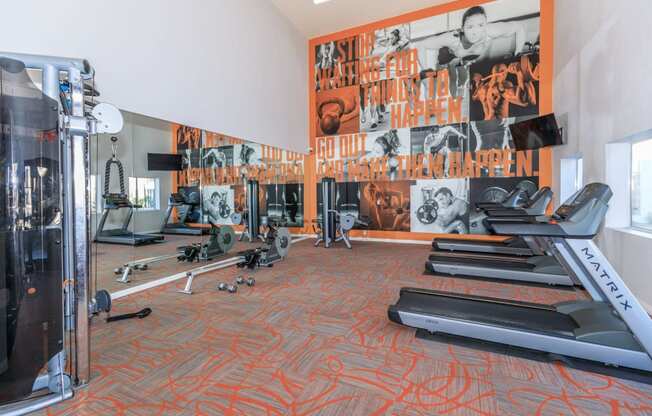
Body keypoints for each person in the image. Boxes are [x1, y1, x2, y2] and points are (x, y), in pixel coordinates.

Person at [414, 6, 527, 70]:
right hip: (450, 54)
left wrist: (518, 54)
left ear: (486, 24)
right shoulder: (452, 39)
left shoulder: (490, 31)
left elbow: (519, 27)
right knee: (442, 60)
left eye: (480, 25)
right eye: (470, 27)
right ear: (462, 29)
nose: (476, 32)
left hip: (470, 56)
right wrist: (425, 70)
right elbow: (421, 45)